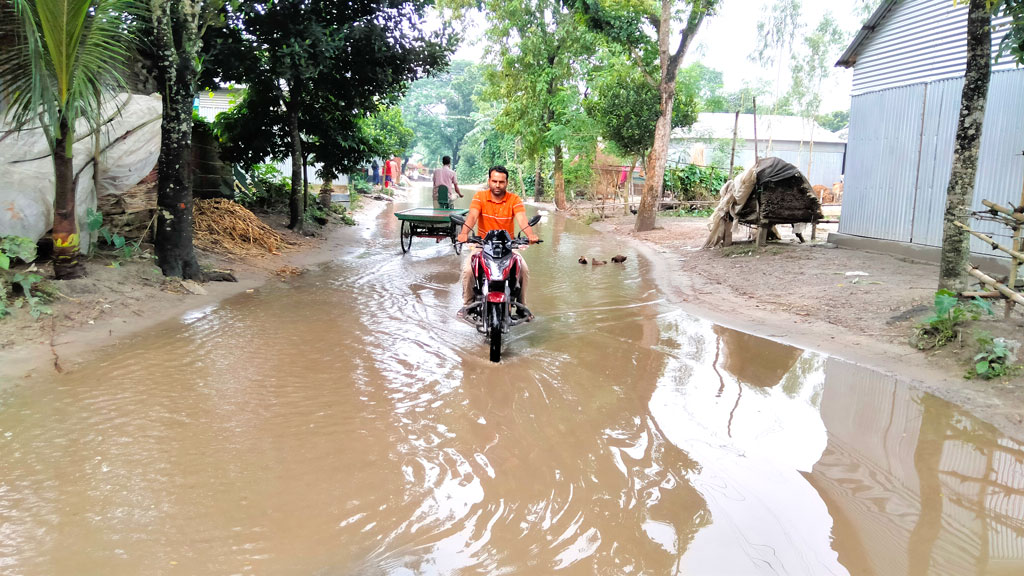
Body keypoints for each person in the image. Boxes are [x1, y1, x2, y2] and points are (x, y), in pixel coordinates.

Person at [456, 166, 540, 317]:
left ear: (506, 183)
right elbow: (472, 217)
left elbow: (522, 219)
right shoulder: (479, 197)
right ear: (489, 181)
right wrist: (463, 233)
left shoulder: (514, 199)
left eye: (501, 182)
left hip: (508, 246)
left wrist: (530, 234)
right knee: (468, 270)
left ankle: (521, 307)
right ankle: (468, 305)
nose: (497, 185)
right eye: (494, 181)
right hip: (482, 245)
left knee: (523, 270)